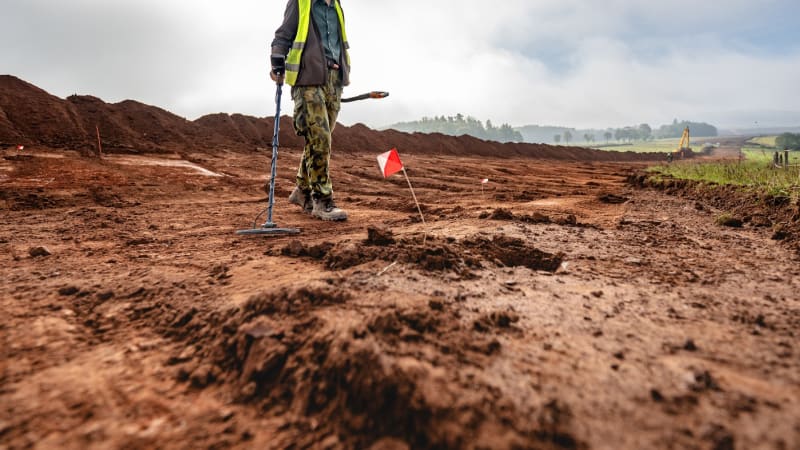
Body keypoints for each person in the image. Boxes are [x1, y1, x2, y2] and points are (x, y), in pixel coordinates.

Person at [270, 0, 351, 221]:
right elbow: (283, 35)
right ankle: (322, 200)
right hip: (308, 80)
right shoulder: (301, 2)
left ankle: (302, 190)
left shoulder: (336, 6)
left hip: (334, 81)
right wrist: (276, 60)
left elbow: (339, 43)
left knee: (318, 141)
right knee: (321, 139)